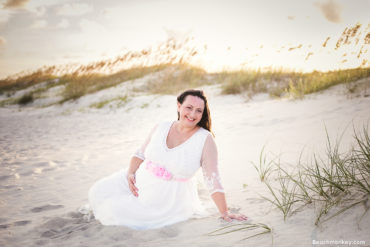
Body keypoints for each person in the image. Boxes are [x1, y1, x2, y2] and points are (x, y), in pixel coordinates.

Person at [88, 89, 248, 230]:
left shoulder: (205, 139)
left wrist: (225, 212)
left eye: (199, 111)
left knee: (113, 210)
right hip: (139, 178)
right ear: (179, 106)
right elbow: (140, 154)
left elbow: (212, 178)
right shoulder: (162, 126)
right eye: (189, 108)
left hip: (166, 197)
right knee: (98, 191)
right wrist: (130, 173)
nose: (193, 115)